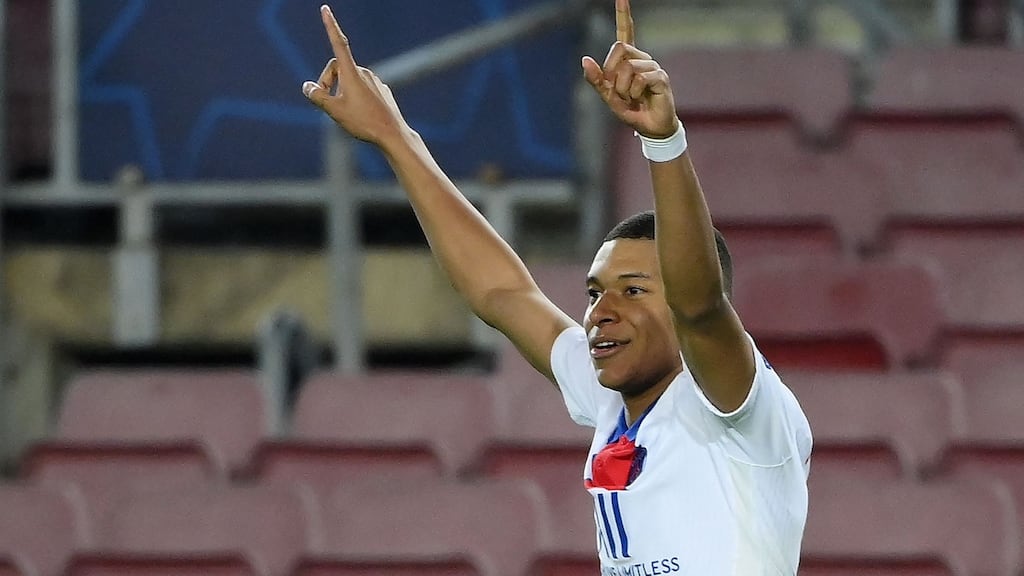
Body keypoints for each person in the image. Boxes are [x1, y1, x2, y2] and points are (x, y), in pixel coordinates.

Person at [303, 1, 812, 574]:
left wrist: (664, 141)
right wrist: (396, 139)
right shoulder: (612, 399)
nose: (601, 312)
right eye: (595, 293)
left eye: (633, 291)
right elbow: (503, 294)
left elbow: (699, 306)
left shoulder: (740, 409)